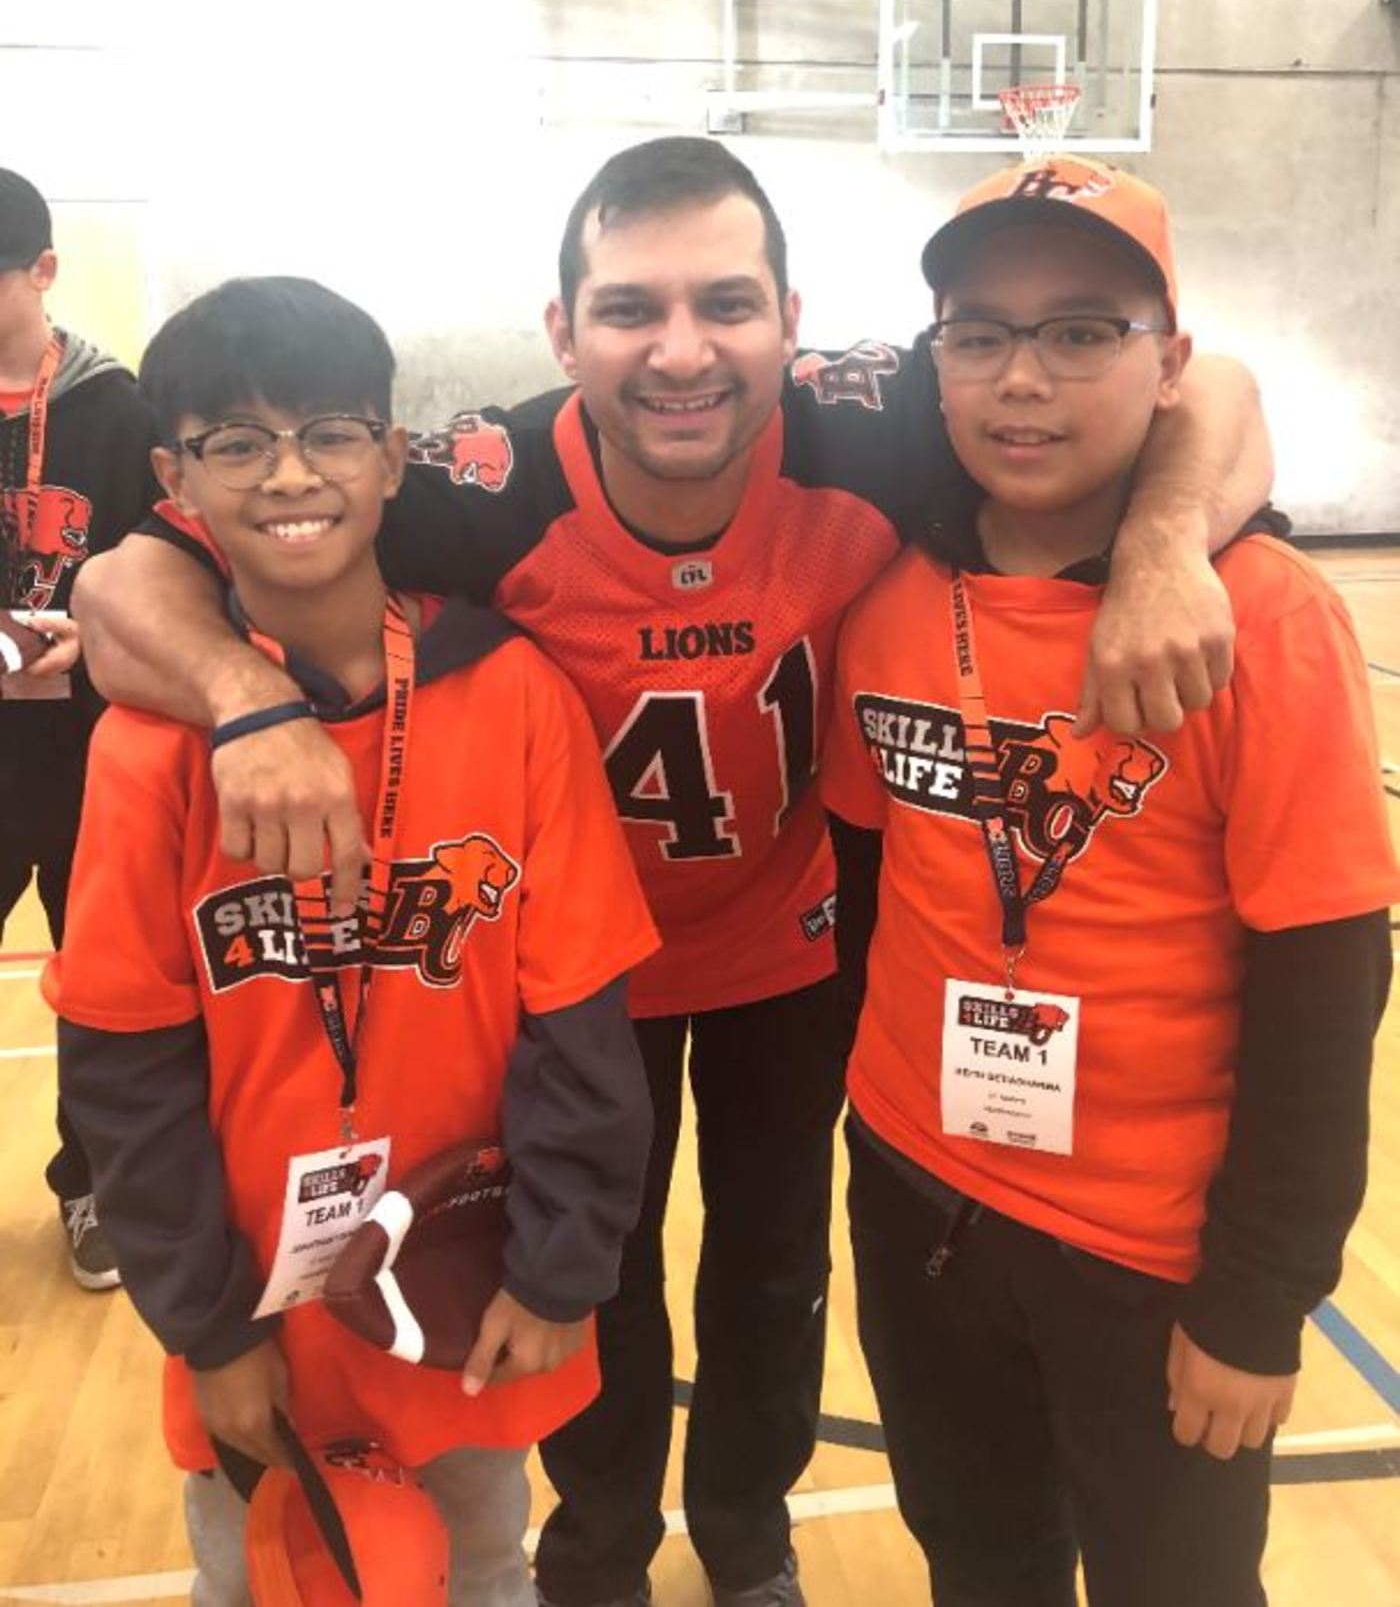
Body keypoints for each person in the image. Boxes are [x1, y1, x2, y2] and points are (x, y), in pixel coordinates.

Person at [72, 138, 1273, 1607]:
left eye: (726, 301)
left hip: (796, 940)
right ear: (563, 330)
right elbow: (124, 577)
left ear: (795, 319)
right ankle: (597, 1552)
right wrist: (244, 702)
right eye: (632, 308)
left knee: (773, 1267)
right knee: (594, 1276)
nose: (683, 350)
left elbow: (1212, 386)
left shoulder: (870, 425)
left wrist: (1163, 549)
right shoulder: (486, 486)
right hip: (577, 969)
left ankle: (750, 1534)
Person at [820, 156, 1397, 1607]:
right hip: (918, 1195)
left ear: (1168, 365)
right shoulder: (888, 603)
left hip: (1152, 1249)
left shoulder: (1268, 623)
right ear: (934, 364)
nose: (1026, 379)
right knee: (981, 1564)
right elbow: (869, 891)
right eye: (984, 335)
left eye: (1082, 331)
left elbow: (1329, 983)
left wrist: (1260, 1299)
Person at [43, 276, 658, 1607]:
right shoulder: (149, 751)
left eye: (328, 431)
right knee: (263, 1576)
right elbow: (120, 1063)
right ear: (174, 478)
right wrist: (207, 1322)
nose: (288, 473)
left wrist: (559, 1264)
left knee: (483, 1563)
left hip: (458, 1279)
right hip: (254, 1297)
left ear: (391, 457)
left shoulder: (515, 697)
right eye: (236, 442)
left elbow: (580, 1020)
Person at [0, 165, 159, 1289]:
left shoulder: (119, 406)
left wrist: (96, 642)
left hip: (95, 744)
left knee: (102, 982)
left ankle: (90, 1183)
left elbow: (170, 576)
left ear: (44, 272)